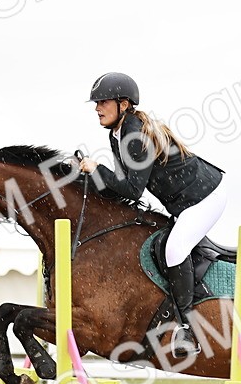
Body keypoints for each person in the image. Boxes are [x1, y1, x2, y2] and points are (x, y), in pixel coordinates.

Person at [78, 71, 226, 358]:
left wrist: (97, 170)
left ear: (123, 104)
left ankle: (187, 329)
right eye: (96, 103)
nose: (97, 108)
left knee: (174, 250)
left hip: (206, 197)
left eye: (103, 102)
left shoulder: (134, 135)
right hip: (185, 202)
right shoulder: (117, 133)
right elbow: (119, 187)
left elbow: (132, 190)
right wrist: (90, 178)